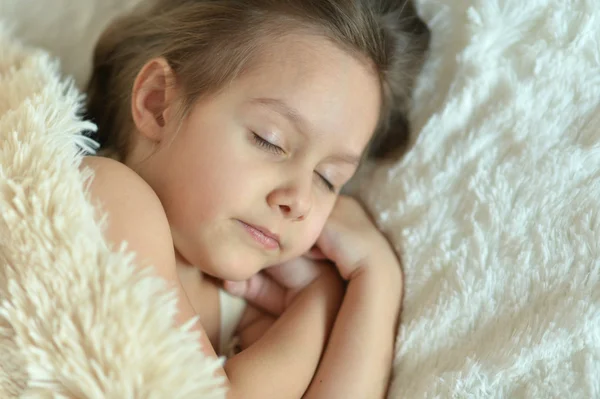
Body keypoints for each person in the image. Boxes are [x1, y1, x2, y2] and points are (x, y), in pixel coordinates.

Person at [83, 0, 428, 397]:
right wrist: (321, 299)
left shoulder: (248, 309)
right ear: (158, 102)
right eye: (270, 140)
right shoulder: (108, 192)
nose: (299, 200)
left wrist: (377, 279)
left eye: (328, 179)